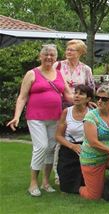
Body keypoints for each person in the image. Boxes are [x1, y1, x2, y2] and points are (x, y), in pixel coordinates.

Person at [7, 44, 73, 197]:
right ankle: (33, 183)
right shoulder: (32, 74)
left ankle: (45, 182)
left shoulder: (59, 74)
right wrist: (16, 116)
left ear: (56, 58)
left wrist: (84, 102)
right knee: (41, 147)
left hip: (55, 117)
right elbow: (22, 97)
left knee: (50, 148)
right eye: (46, 55)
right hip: (36, 117)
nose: (49, 57)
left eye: (52, 55)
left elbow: (68, 95)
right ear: (40, 57)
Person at [52, 39, 95, 185]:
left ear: (80, 52)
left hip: (79, 107)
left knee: (79, 136)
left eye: (72, 50)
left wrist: (87, 102)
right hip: (59, 106)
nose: (68, 51)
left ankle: (82, 171)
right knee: (59, 140)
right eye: (68, 49)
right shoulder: (57, 66)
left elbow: (90, 87)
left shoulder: (86, 69)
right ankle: (58, 173)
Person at [55, 84, 93, 194]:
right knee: (67, 188)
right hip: (69, 148)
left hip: (87, 149)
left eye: (81, 94)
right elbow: (58, 136)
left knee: (86, 185)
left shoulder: (92, 112)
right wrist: (72, 146)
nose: (76, 96)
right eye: (75, 93)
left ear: (88, 98)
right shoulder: (67, 112)